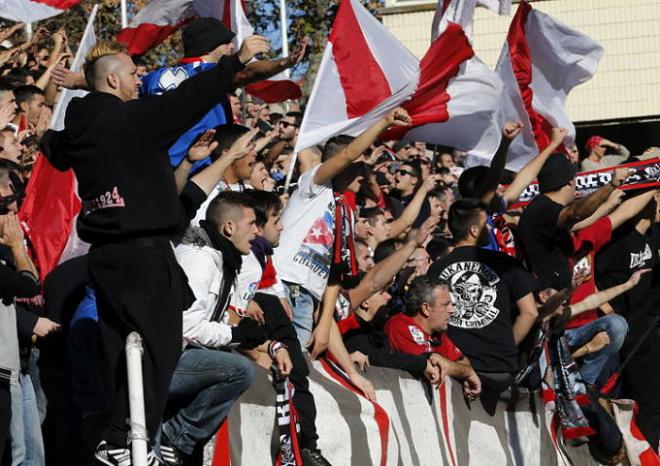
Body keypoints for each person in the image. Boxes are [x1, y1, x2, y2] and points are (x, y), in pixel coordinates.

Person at [39, 39, 264, 464]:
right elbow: (187, 99)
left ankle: (120, 437)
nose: (140, 78)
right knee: (161, 347)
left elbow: (53, 147)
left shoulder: (83, 131)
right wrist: (234, 62)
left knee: (122, 351)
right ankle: (124, 438)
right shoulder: (129, 121)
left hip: (108, 258)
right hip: (144, 258)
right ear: (111, 80)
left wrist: (183, 164)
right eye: (132, 72)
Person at [273, 108, 411, 354]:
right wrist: (384, 122)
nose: (364, 174)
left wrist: (325, 321)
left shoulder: (346, 212)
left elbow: (336, 271)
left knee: (295, 368)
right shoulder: (313, 184)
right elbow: (349, 153)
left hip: (308, 299)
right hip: (281, 283)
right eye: (359, 166)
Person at [162, 192, 273, 464]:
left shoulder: (223, 259)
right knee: (239, 370)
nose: (258, 232)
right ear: (229, 227)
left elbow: (207, 321)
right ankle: (175, 436)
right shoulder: (199, 259)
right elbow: (185, 326)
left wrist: (241, 336)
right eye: (252, 224)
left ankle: (179, 440)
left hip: (179, 356)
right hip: (159, 362)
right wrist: (234, 335)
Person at [140, 17, 306, 172]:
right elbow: (247, 73)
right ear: (209, 45)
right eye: (227, 42)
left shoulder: (150, 78)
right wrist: (285, 62)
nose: (232, 47)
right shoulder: (211, 73)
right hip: (196, 170)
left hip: (153, 167)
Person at [428, 199, 538, 412]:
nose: (489, 227)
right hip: (499, 370)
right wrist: (505, 347)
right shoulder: (504, 264)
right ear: (473, 230)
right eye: (485, 223)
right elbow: (531, 312)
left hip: (453, 368)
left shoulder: (436, 269)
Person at [0, 161, 41, 464]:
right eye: (5, 208)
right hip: (2, 369)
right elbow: (28, 285)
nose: (13, 214)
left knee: (30, 456)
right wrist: (17, 247)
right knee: (13, 455)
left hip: (16, 364)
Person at [385, 276, 481, 399]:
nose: (452, 310)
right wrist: (466, 373)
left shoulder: (438, 333)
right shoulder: (400, 325)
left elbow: (463, 362)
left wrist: (461, 370)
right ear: (426, 308)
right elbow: (433, 368)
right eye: (446, 304)